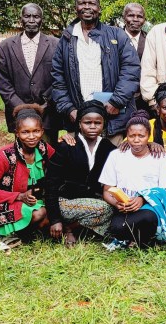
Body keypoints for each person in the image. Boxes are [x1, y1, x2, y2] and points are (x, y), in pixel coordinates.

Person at [52, 0, 141, 144]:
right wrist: (69, 109)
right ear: (75, 8)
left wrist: (116, 101)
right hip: (79, 118)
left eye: (92, 3)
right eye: (82, 3)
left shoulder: (117, 35)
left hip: (112, 118)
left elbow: (131, 70)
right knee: (81, 159)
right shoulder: (66, 39)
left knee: (111, 157)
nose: (87, 7)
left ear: (99, 8)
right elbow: (57, 78)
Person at [43, 100, 117, 245]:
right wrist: (55, 219)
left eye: (98, 123)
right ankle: (68, 228)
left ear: (103, 124)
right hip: (65, 201)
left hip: (91, 201)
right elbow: (51, 183)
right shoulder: (67, 146)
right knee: (106, 209)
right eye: (87, 122)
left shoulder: (108, 147)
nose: (92, 126)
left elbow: (128, 154)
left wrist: (149, 145)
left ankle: (76, 227)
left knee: (117, 210)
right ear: (79, 124)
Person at [0, 105, 54, 239]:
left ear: (42, 131)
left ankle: (23, 232)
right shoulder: (3, 156)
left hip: (34, 200)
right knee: (40, 213)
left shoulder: (44, 149)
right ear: (16, 133)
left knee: (50, 218)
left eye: (36, 131)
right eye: (25, 132)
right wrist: (19, 196)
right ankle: (0, 234)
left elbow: (61, 168)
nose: (31, 136)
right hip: (4, 202)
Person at [99, 111, 166, 247]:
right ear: (126, 136)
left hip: (150, 207)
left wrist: (142, 199)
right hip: (124, 208)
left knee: (148, 218)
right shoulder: (116, 155)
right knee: (117, 228)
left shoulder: (161, 158)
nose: (136, 140)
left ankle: (140, 239)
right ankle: (141, 239)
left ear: (149, 136)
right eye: (132, 136)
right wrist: (117, 204)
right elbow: (106, 190)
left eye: (141, 136)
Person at [0, 3, 61, 142]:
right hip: (18, 115)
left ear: (42, 20)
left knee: (47, 152)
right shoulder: (4, 48)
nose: (31, 20)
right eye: (27, 16)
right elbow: (3, 84)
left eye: (36, 16)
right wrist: (22, 109)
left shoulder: (56, 45)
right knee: (23, 153)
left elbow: (61, 78)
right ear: (20, 19)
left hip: (48, 115)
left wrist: (45, 104)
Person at [121, 2, 151, 112]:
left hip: (144, 98)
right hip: (119, 95)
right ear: (124, 18)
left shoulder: (150, 40)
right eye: (131, 15)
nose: (135, 19)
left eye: (139, 16)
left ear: (144, 20)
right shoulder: (114, 38)